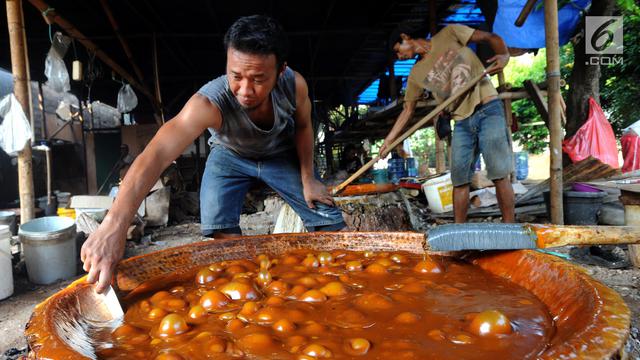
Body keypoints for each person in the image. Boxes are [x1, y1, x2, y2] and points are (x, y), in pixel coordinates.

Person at [81, 15, 346, 293]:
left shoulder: (294, 85)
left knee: (329, 220)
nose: (245, 90)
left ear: (281, 71)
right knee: (220, 228)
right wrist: (113, 225)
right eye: (236, 76)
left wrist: (308, 177)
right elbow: (157, 153)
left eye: (258, 79)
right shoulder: (208, 103)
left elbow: (304, 126)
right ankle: (245, 291)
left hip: (280, 152)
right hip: (229, 156)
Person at [380, 25, 515, 223]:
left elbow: (489, 36)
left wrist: (504, 54)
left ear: (405, 37)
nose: (398, 57)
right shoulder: (416, 74)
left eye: (397, 51)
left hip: (488, 109)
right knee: (459, 180)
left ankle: (510, 229)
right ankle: (458, 233)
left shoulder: (449, 33)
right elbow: (407, 110)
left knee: (498, 173)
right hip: (461, 121)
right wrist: (388, 141)